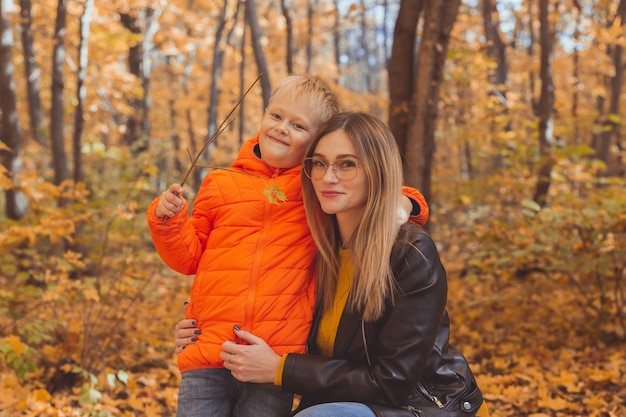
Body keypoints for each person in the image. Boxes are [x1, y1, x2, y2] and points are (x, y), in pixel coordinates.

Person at [147, 76, 430, 417]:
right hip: (210, 348)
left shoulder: (311, 186)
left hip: (274, 353)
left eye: (298, 125)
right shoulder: (220, 183)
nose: (282, 128)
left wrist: (406, 202)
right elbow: (189, 257)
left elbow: (368, 183)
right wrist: (168, 220)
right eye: (276, 116)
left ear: (316, 144)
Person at [212, 112, 489, 417]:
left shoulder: (410, 253)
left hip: (426, 406)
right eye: (319, 163)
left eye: (347, 164)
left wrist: (281, 369)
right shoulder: (313, 250)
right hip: (349, 405)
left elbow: (392, 381)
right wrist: (202, 326)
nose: (328, 177)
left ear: (377, 171)